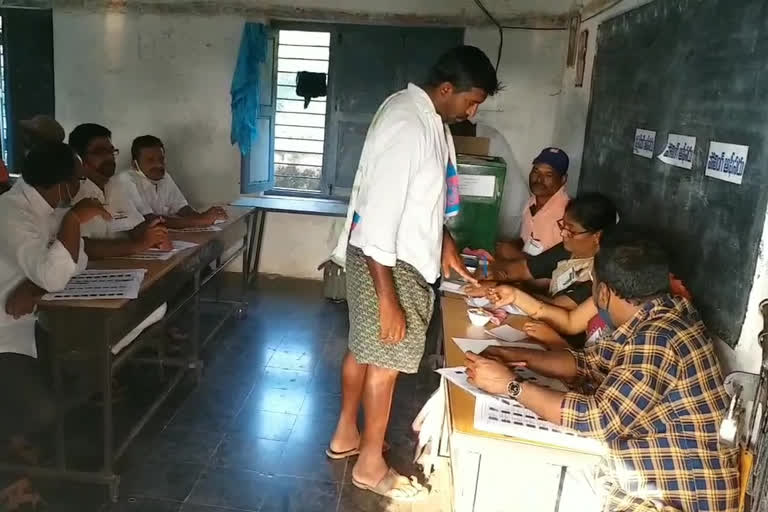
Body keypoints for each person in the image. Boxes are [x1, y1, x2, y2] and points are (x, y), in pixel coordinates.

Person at [327, 45, 498, 500]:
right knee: (385, 364)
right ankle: (368, 465)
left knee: (363, 352)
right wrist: (388, 299)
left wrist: (445, 246)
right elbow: (381, 217)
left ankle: (346, 435)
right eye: (471, 100)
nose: (473, 110)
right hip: (387, 261)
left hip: (389, 255)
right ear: (447, 88)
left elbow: (424, 200)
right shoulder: (410, 125)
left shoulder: (426, 117)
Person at [465, 234, 739, 511]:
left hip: (673, 498)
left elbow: (598, 420)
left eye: (593, 283)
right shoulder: (661, 315)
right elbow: (590, 362)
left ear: (604, 293)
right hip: (653, 478)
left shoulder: (659, 337)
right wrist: (515, 356)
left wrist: (511, 386)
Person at [0, 142, 111, 509]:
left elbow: (72, 266)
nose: (81, 187)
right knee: (40, 409)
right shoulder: (12, 214)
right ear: (60, 184)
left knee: (79, 375)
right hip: (3, 328)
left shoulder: (48, 207)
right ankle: (10, 463)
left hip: (23, 320)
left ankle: (15, 437)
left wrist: (34, 285)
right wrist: (75, 220)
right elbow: (54, 271)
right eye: (77, 180)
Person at [476, 193, 618, 348]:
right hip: (543, 332)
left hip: (563, 344)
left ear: (597, 236)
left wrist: (510, 291)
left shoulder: (601, 273)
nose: (563, 234)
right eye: (562, 226)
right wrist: (490, 272)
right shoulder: (569, 249)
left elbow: (561, 311)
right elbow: (524, 268)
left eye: (571, 231)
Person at [68, 123, 171, 258]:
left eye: (111, 151)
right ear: (78, 158)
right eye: (100, 152)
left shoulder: (115, 185)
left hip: (124, 266)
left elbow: (134, 227)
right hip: (91, 271)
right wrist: (139, 245)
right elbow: (80, 246)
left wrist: (154, 233)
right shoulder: (70, 191)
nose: (109, 157)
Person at [110, 135, 227, 229]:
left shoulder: (164, 176)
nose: (158, 165)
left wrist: (206, 217)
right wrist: (200, 221)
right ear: (134, 164)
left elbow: (181, 208)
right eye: (150, 160)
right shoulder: (126, 180)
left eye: (161, 159)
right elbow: (150, 219)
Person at [497, 147, 570, 259]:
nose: (539, 179)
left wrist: (517, 255)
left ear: (563, 179)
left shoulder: (567, 214)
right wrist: (510, 246)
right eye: (536, 171)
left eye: (548, 175)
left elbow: (560, 264)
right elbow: (525, 240)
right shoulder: (531, 202)